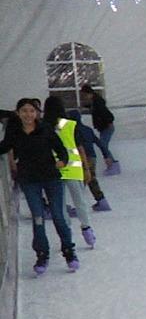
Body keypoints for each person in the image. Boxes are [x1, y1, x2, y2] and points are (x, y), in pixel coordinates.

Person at [0, 98, 76, 274]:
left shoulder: (45, 129)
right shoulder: (15, 132)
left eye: (31, 111)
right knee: (38, 217)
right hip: (29, 180)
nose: (28, 114)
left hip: (51, 178)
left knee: (58, 215)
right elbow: (4, 147)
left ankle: (69, 251)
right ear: (18, 113)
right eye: (24, 111)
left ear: (37, 113)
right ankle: (42, 254)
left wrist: (63, 161)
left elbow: (61, 148)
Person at [43, 96, 97, 249]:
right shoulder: (70, 125)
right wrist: (87, 169)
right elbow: (80, 148)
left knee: (60, 206)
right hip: (73, 168)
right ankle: (87, 229)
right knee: (80, 201)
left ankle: (67, 236)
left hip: (53, 169)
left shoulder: (43, 126)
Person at [67, 110, 110, 211]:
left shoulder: (71, 130)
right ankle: (101, 201)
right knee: (91, 179)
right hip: (92, 156)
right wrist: (106, 155)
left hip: (81, 157)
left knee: (81, 182)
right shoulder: (88, 129)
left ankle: (79, 205)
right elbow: (99, 142)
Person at [79, 84, 119, 175]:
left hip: (106, 127)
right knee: (103, 145)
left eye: (85, 95)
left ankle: (113, 165)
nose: (84, 97)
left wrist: (109, 122)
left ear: (89, 93)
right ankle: (113, 165)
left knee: (103, 145)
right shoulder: (95, 102)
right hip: (103, 127)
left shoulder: (97, 102)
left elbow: (105, 113)